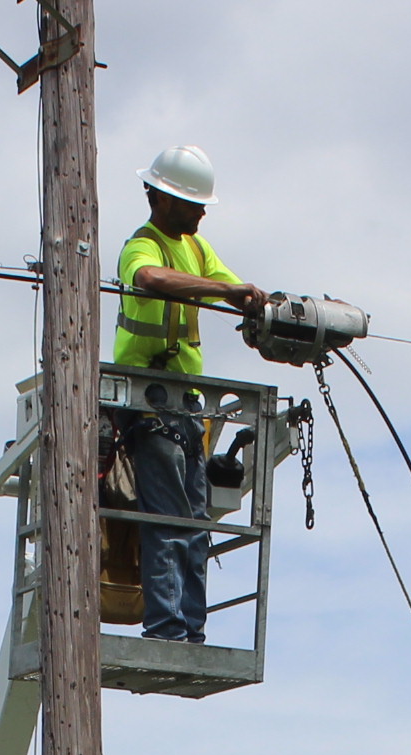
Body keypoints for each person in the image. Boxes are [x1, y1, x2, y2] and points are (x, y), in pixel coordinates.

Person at [110, 143, 268, 643]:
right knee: (168, 516)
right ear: (160, 199)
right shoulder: (144, 244)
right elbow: (149, 277)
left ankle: (190, 629)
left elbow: (229, 284)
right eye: (193, 202)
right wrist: (223, 291)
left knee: (194, 519)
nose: (202, 211)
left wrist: (252, 297)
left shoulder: (198, 250)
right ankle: (166, 626)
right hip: (147, 402)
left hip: (185, 406)